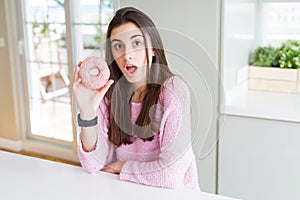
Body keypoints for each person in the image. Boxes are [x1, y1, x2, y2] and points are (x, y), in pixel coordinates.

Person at [73, 7, 199, 190]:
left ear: (154, 49)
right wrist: (86, 113)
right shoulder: (108, 93)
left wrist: (123, 167)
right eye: (118, 46)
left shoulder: (173, 91)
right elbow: (94, 164)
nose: (127, 55)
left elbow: (170, 175)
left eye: (137, 43)